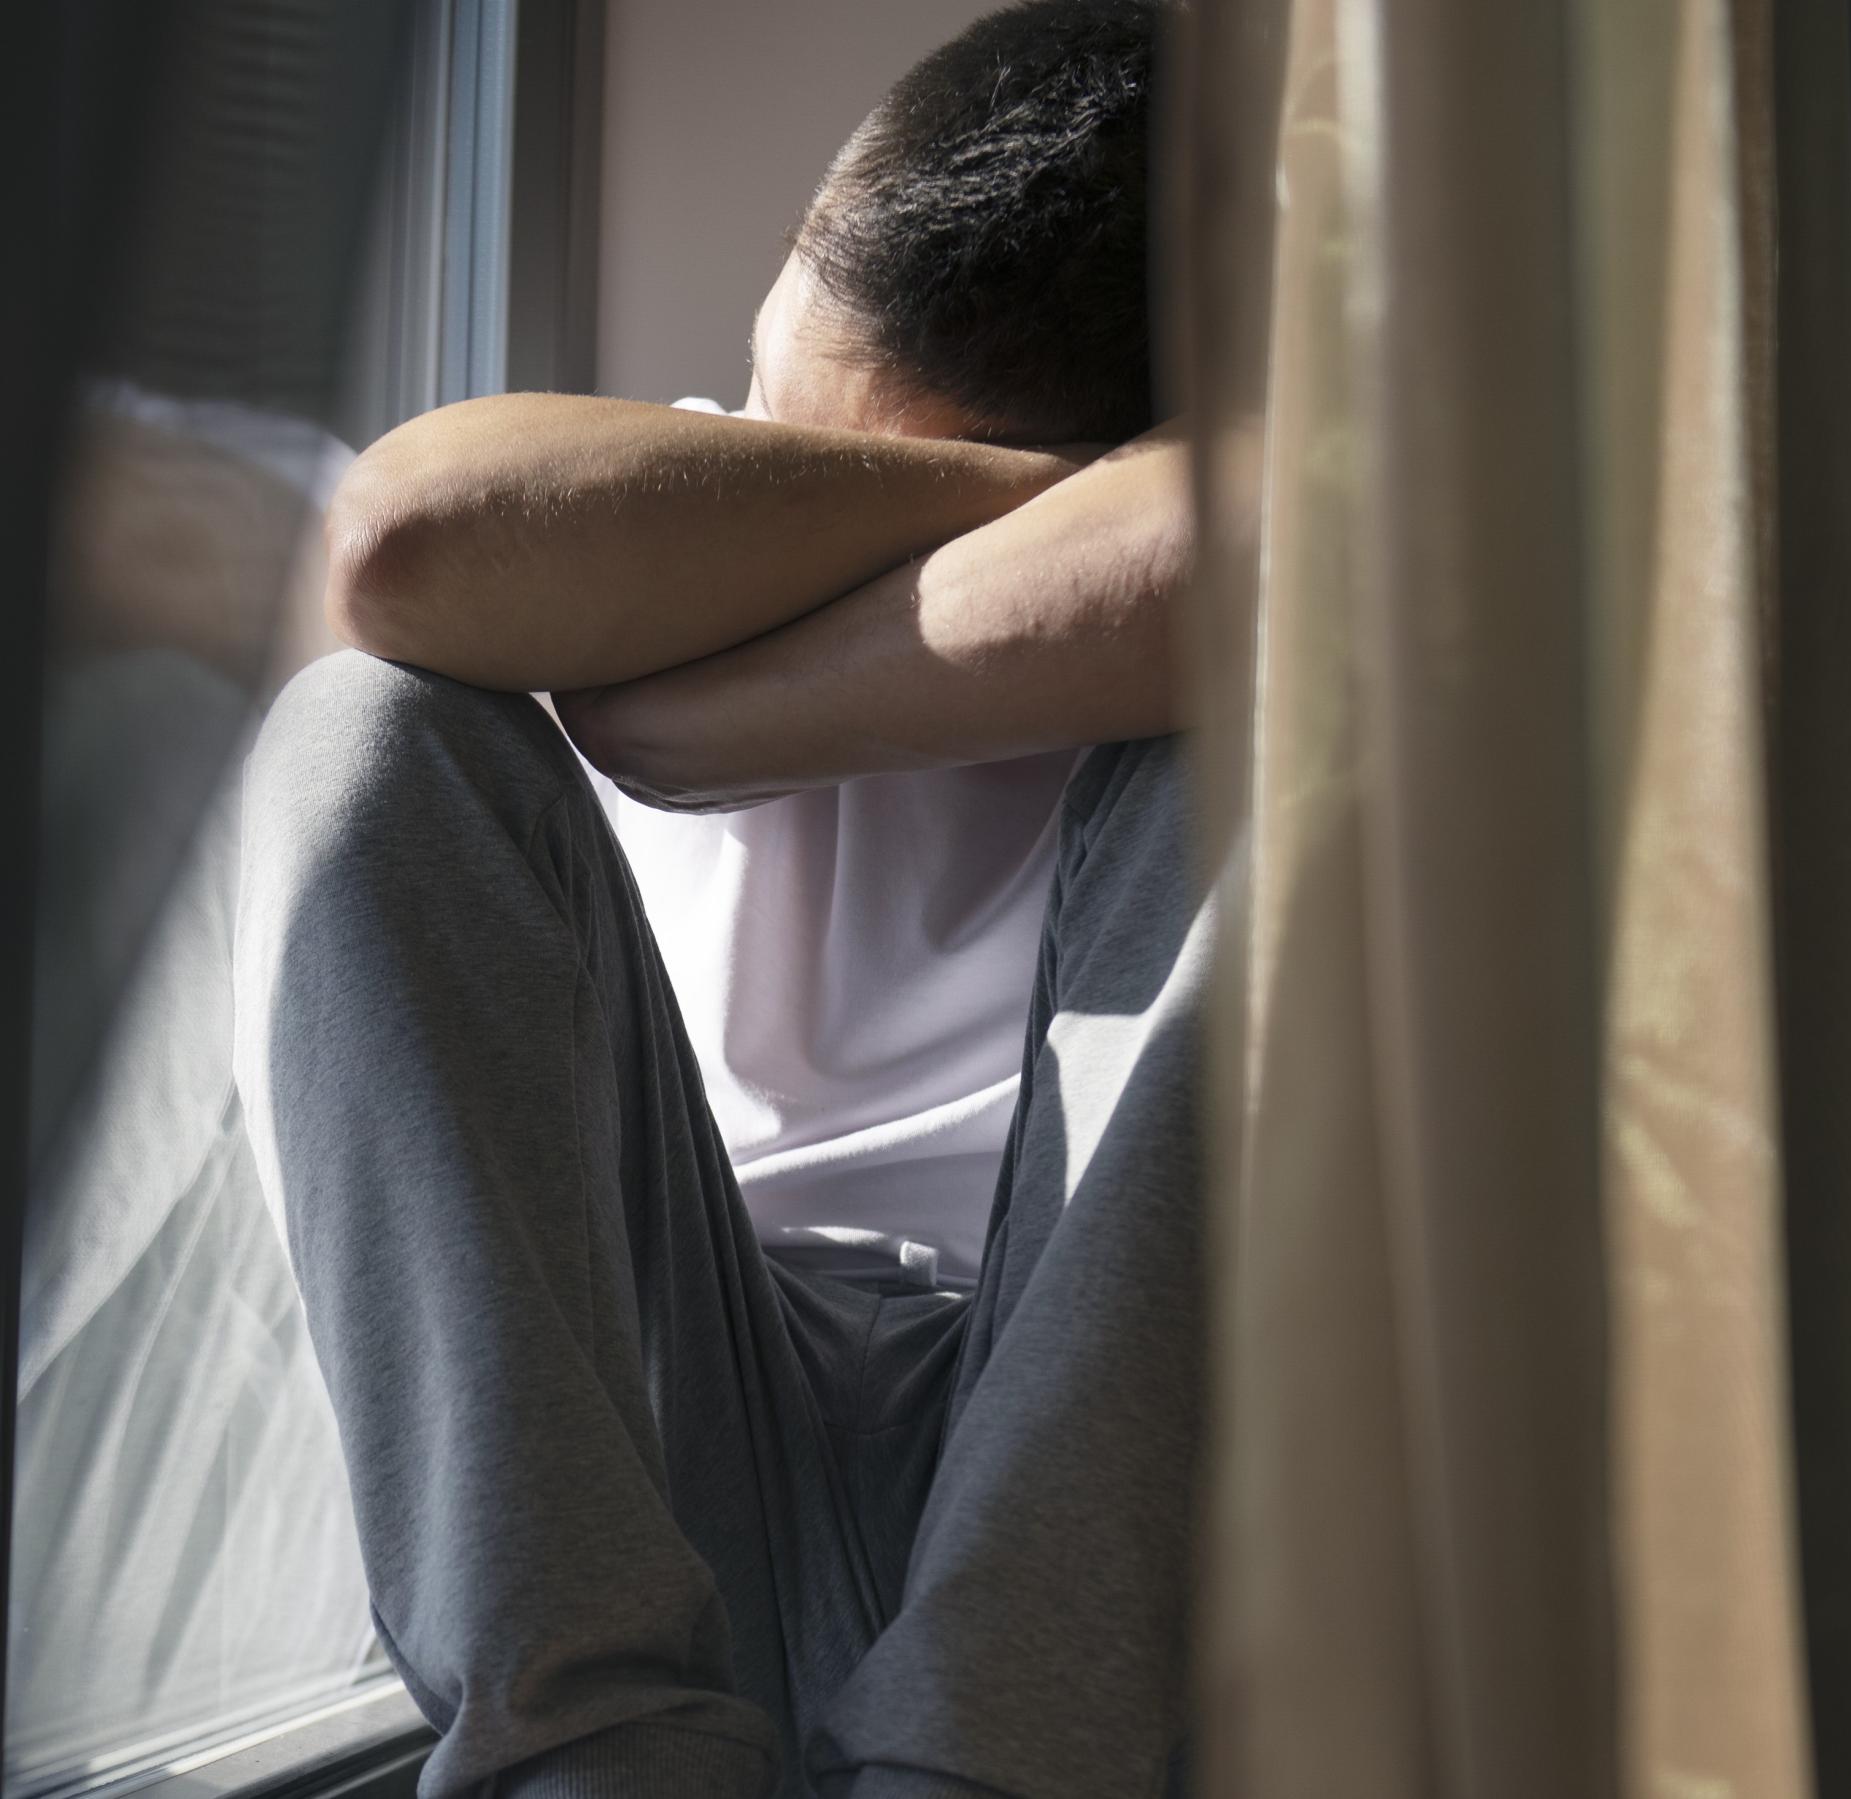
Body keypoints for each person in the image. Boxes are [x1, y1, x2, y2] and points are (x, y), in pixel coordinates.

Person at [232, 3, 1211, 1794]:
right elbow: (398, 550)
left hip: (1075, 1438)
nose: (756, 451)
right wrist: (1015, 521)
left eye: (872, 458)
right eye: (779, 413)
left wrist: (705, 701)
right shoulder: (689, 491)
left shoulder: (1289, 520)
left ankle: (979, 1762)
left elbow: (1294, 544)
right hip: (692, 1420)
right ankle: (592, 1756)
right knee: (359, 731)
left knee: (1257, 771)